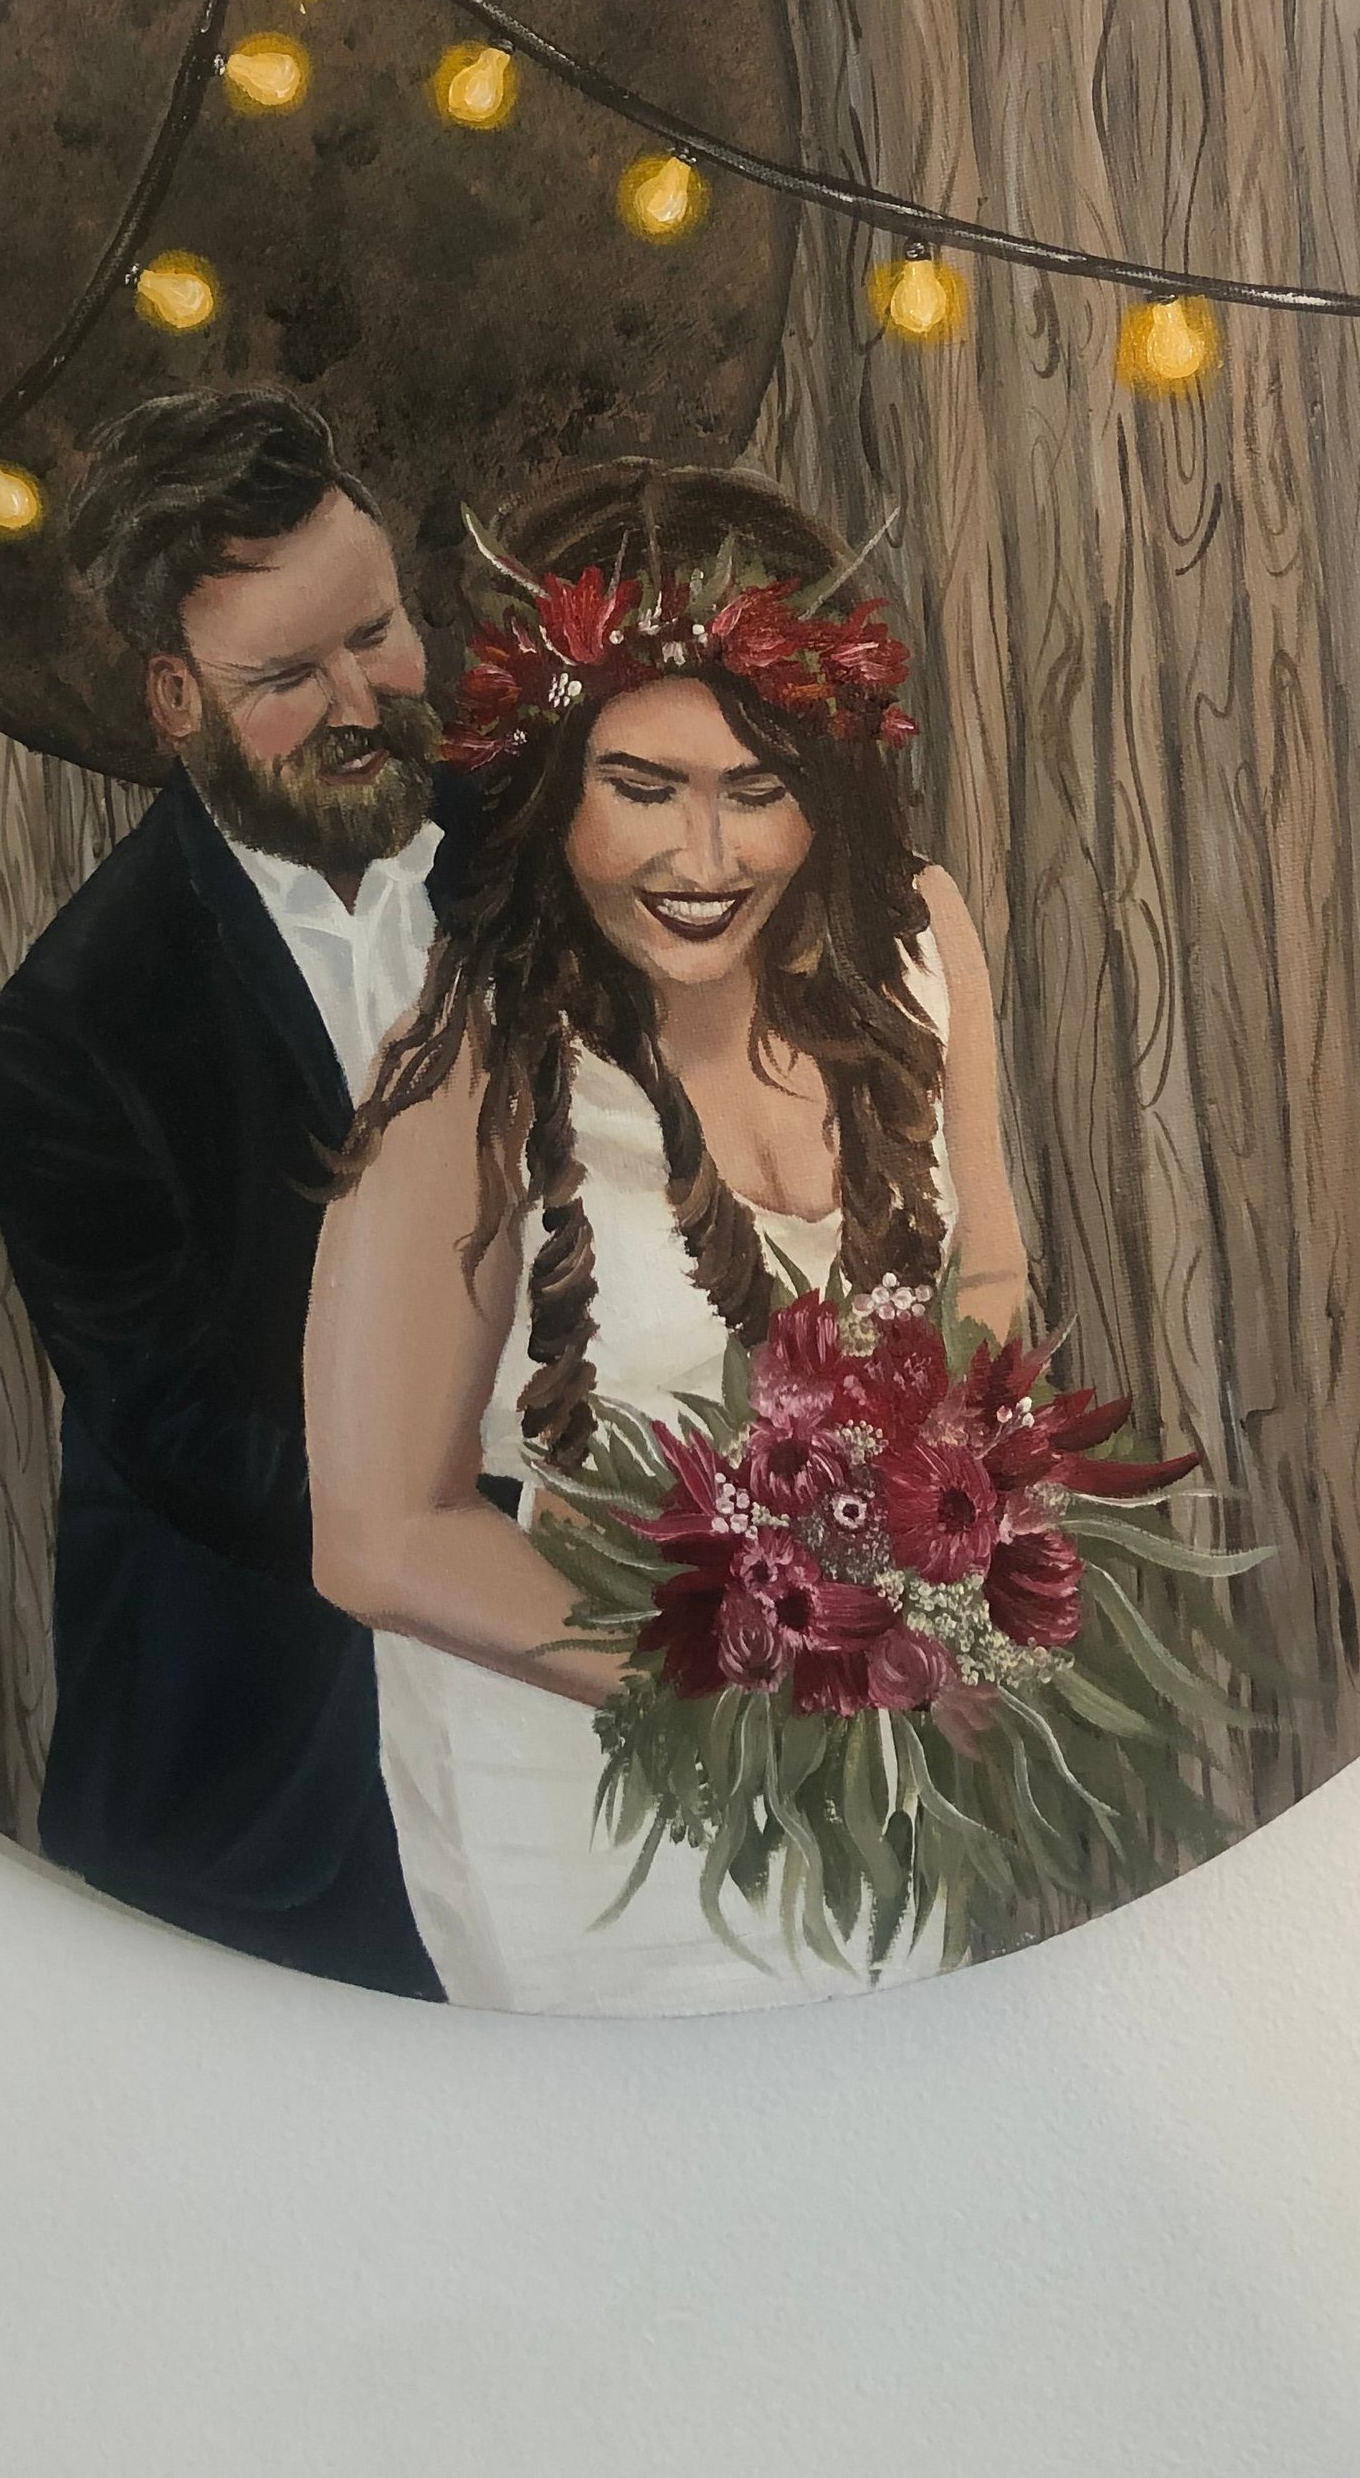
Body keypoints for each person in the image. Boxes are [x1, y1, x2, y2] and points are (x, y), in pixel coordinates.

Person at [303, 460, 1029, 2014]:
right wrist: (779, 1669)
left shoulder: (919, 940)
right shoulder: (469, 1063)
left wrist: (961, 1557)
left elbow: (985, 1270)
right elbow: (374, 1534)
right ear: (552, 775)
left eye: (756, 787)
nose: (707, 858)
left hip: (878, 1780)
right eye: (643, 786)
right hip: (594, 1818)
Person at [0, 388, 464, 1997]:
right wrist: (514, 1540)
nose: (363, 701)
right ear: (175, 697)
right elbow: (177, 1430)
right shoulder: (74, 1024)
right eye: (287, 678)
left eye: (378, 633)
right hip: (258, 1799)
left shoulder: (548, 853)